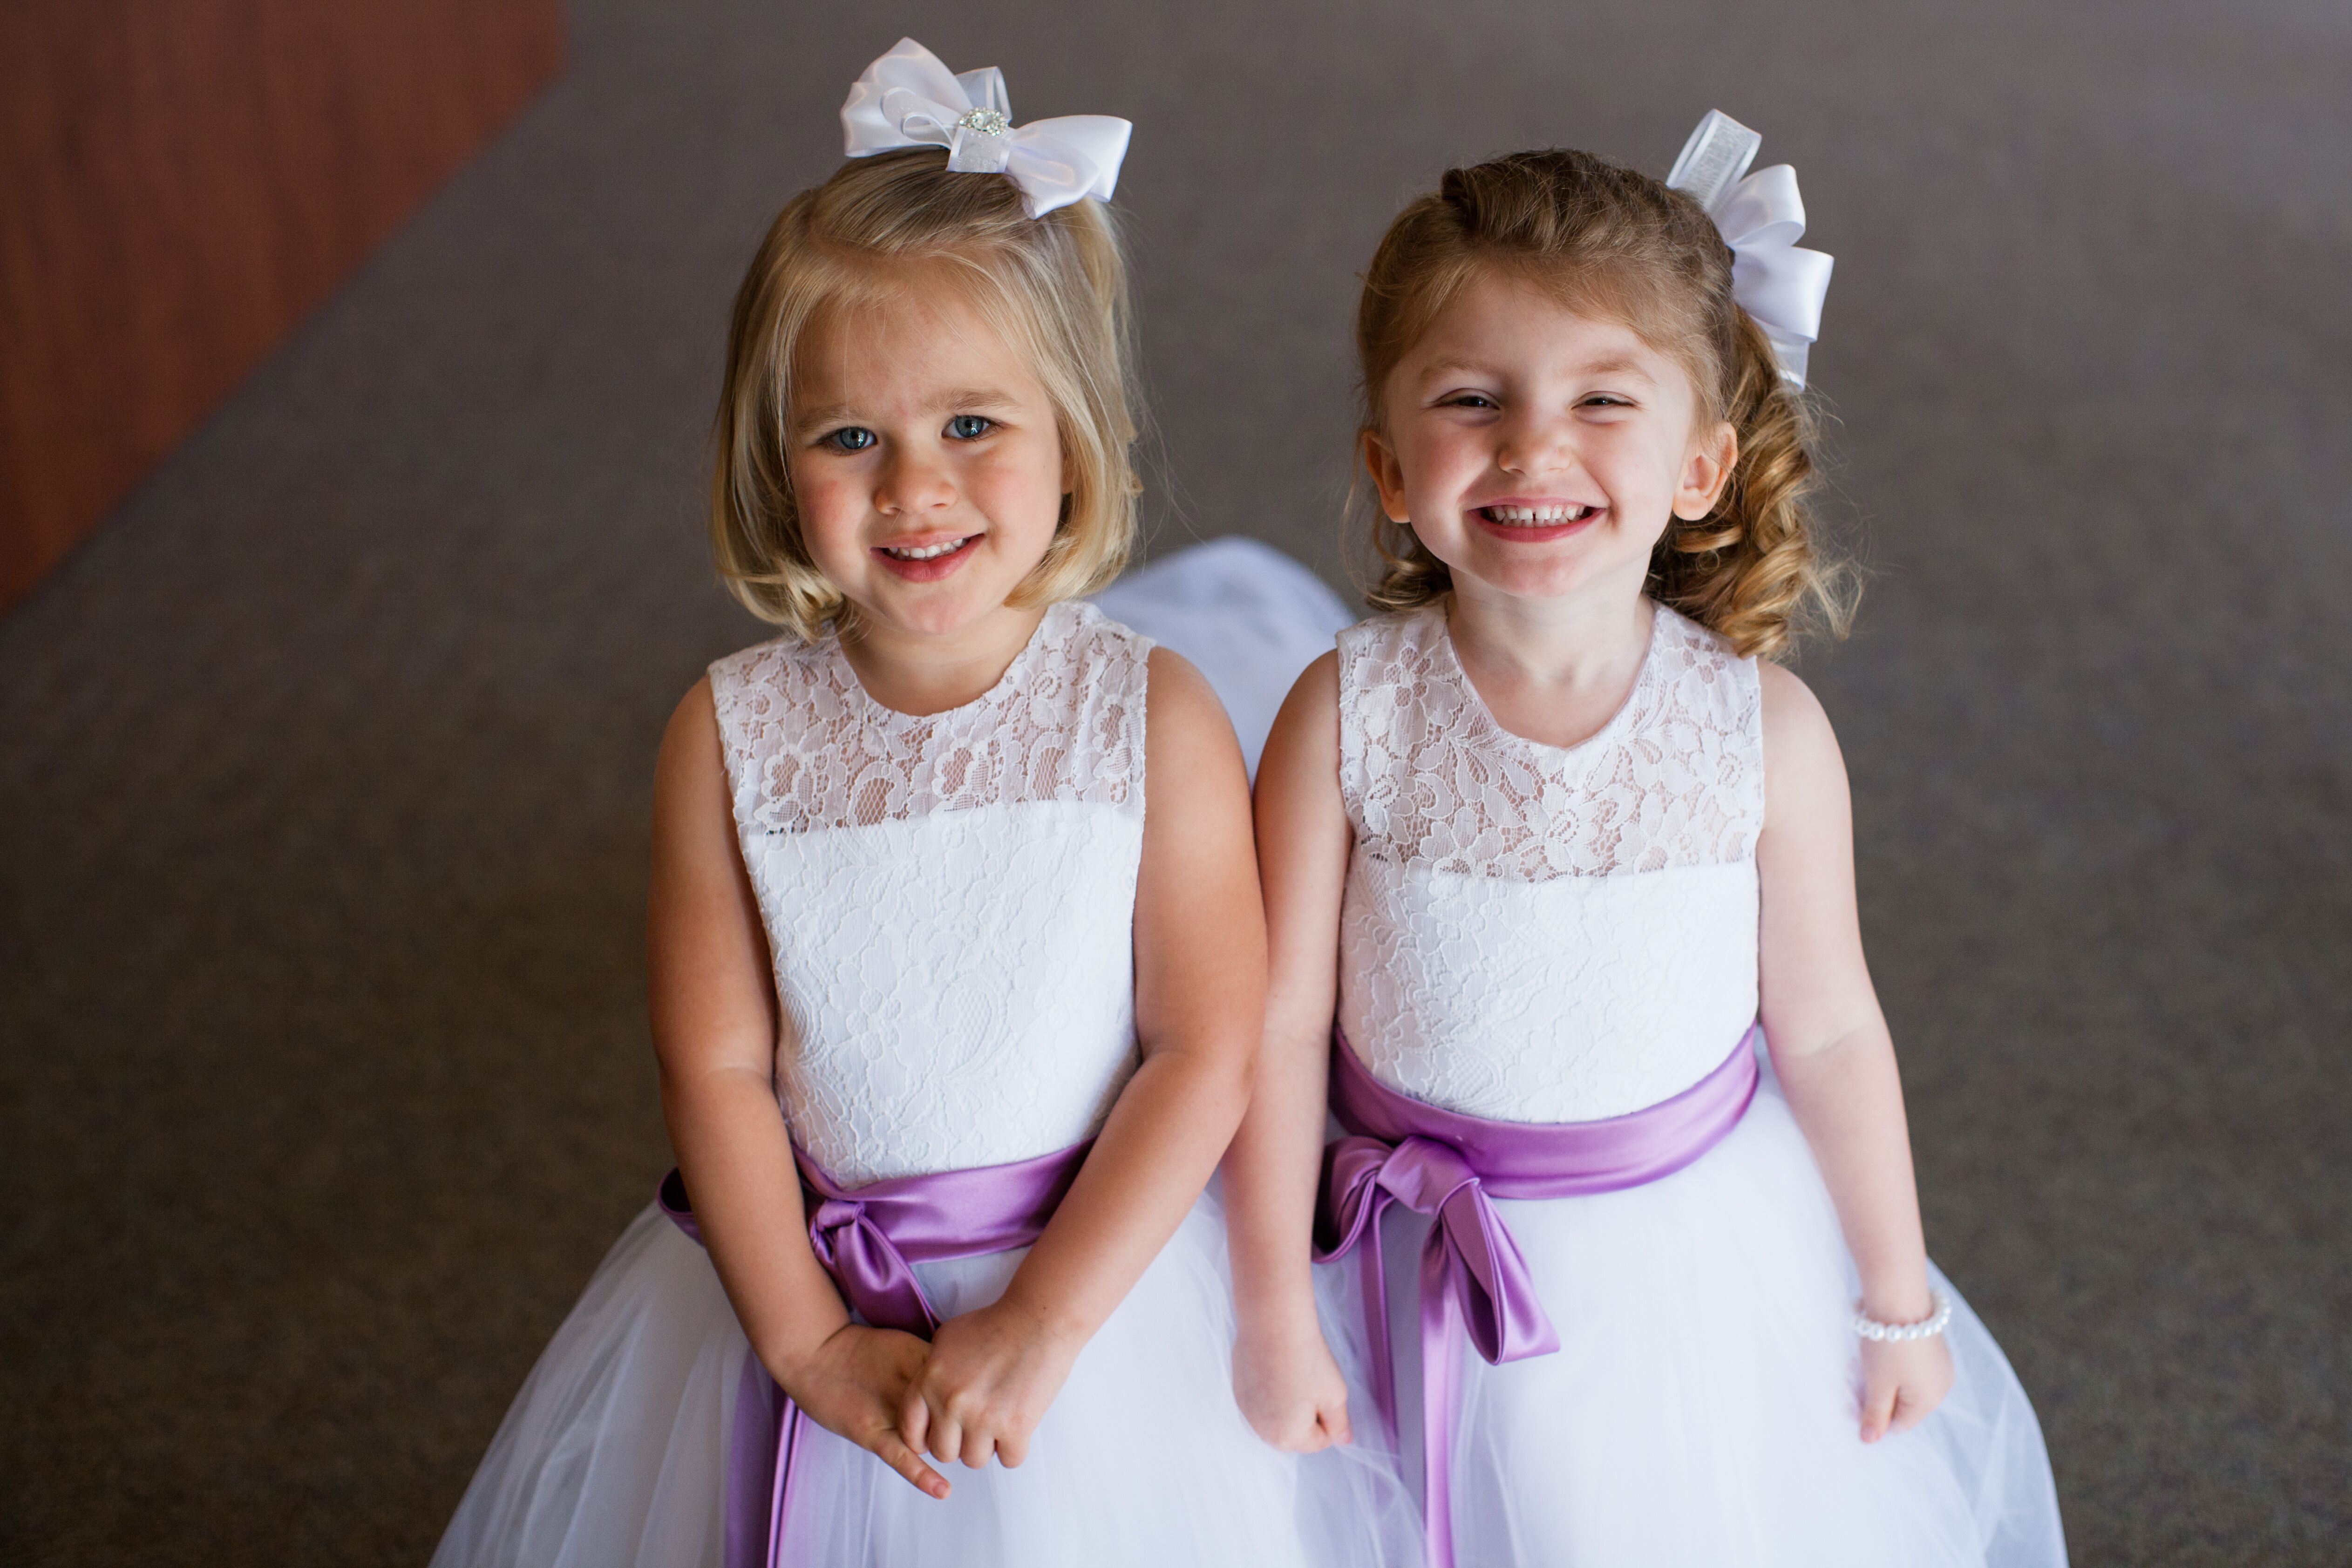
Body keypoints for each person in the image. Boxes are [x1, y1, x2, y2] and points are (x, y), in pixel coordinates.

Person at [432, 39, 1415, 1568]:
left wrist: (1045, 1318)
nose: (912, 489)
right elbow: (718, 1073)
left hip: (1099, 1297)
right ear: (775, 461)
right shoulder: (726, 735)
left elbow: (1203, 1044)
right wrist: (808, 1342)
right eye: (848, 439)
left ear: (1073, 439)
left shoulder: (1147, 715)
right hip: (820, 1291)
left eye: (972, 426)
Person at [1221, 116, 2069, 1566]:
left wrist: (1891, 1295)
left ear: (1699, 466)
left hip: (1681, 1274)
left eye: (1600, 399)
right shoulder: (1343, 714)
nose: (1530, 445)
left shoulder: (1763, 735)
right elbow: (1278, 1023)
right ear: (1386, 468)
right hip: (1392, 1255)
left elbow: (1830, 1032)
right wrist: (1270, 1306)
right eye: (1469, 398)